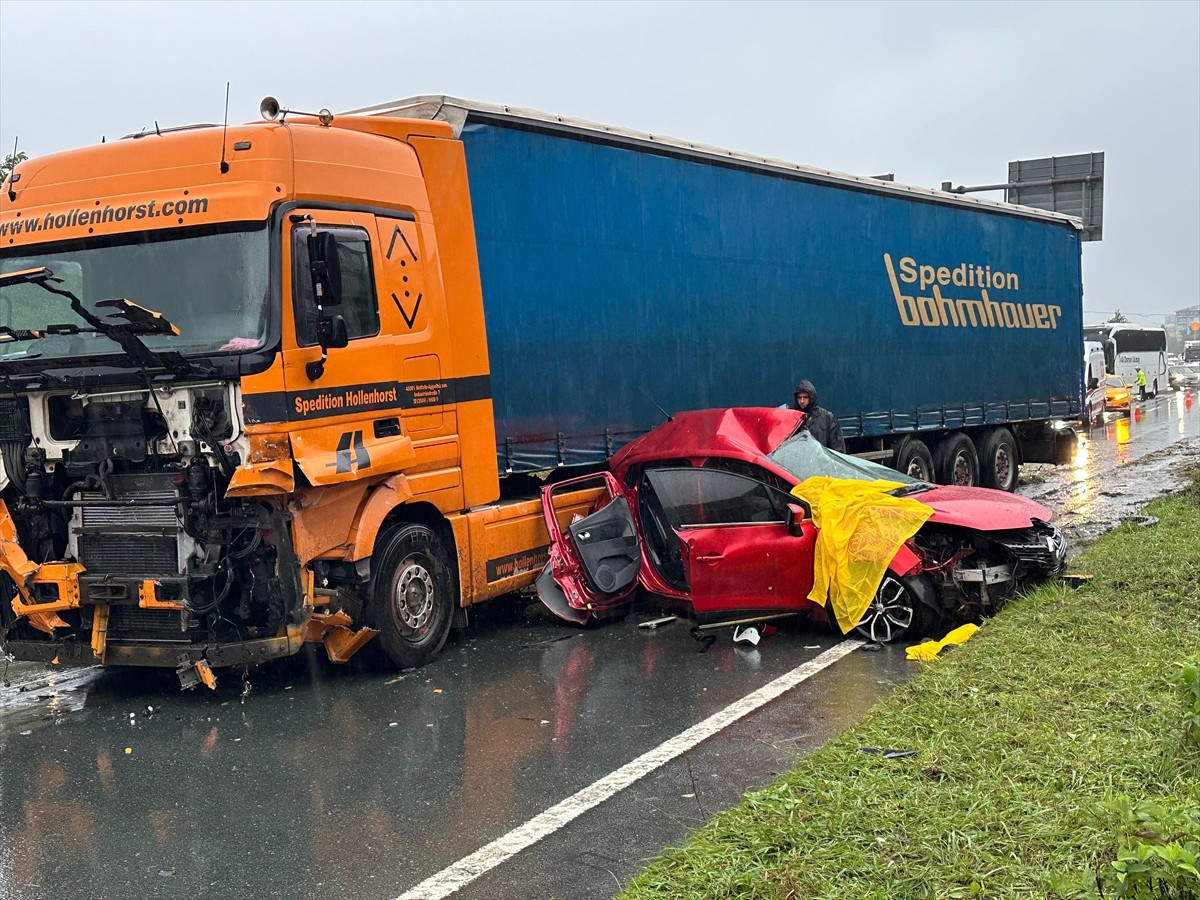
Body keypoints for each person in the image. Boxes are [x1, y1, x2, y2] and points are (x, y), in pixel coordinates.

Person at [790, 380, 845, 452]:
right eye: (799, 398)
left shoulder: (827, 418)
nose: (802, 401)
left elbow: (837, 449)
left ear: (811, 398)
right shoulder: (792, 418)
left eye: (805, 397)